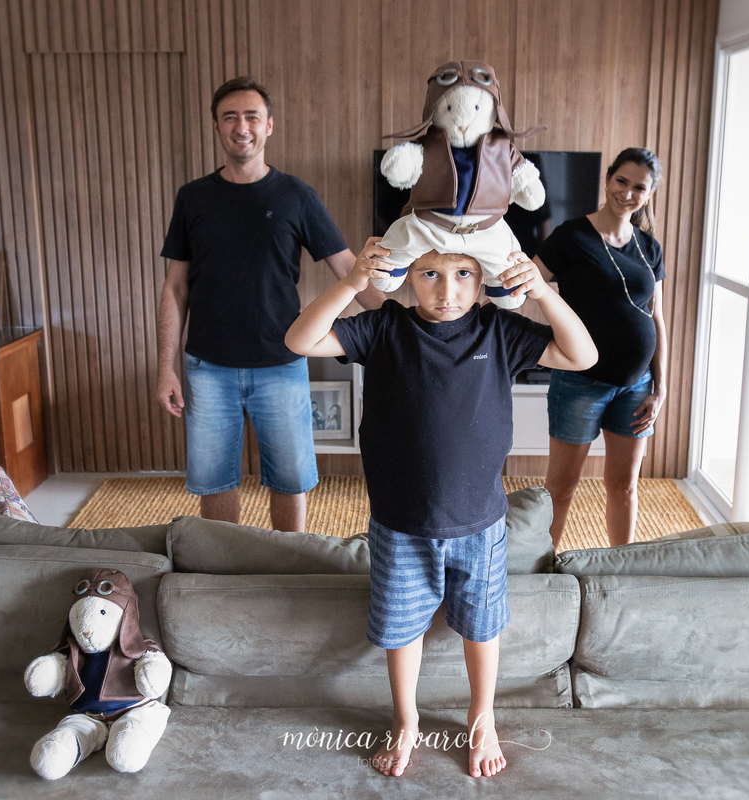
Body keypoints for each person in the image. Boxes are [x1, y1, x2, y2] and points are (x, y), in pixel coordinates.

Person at [285, 239, 596, 779]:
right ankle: (405, 719)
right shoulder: (384, 327)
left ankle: (482, 717)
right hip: (400, 523)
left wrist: (543, 293)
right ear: (407, 275)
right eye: (430, 274)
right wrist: (353, 282)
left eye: (462, 274)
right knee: (401, 628)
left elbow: (582, 355)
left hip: (481, 522)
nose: (446, 290)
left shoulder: (499, 330)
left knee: (481, 626)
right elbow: (299, 339)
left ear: (482, 279)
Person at [156, 76, 384, 531]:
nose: (241, 127)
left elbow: (347, 267)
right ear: (217, 126)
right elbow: (174, 288)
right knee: (214, 481)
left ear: (269, 125)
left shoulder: (296, 196)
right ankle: (223, 562)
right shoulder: (193, 198)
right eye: (230, 118)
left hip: (281, 361)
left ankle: (289, 560)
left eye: (252, 117)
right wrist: (165, 367)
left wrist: (398, 319)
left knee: (290, 480)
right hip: (208, 367)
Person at [534, 147, 667, 548]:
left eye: (639, 187)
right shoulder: (571, 236)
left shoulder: (649, 246)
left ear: (650, 194)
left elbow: (657, 318)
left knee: (624, 486)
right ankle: (543, 566)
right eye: (621, 181)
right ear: (608, 180)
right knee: (562, 486)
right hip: (580, 383)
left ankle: (620, 567)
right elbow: (529, 284)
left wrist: (660, 389)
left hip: (637, 386)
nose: (628, 193)